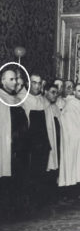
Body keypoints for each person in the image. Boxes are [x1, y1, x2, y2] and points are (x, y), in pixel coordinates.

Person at [0, 69, 29, 215]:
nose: (14, 82)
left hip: (19, 145)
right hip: (6, 145)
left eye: (15, 79)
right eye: (10, 79)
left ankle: (15, 209)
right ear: (2, 81)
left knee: (17, 176)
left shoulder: (17, 99)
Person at [22, 73, 51, 207]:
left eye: (39, 83)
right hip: (29, 144)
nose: (37, 85)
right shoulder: (22, 99)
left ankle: (39, 200)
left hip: (43, 143)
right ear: (28, 84)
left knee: (41, 173)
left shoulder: (44, 100)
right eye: (34, 82)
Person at [43, 83, 62, 201]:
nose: (55, 95)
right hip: (47, 143)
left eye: (56, 93)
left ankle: (52, 195)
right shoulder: (42, 106)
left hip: (56, 142)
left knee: (54, 168)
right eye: (52, 92)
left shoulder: (55, 107)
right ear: (45, 92)